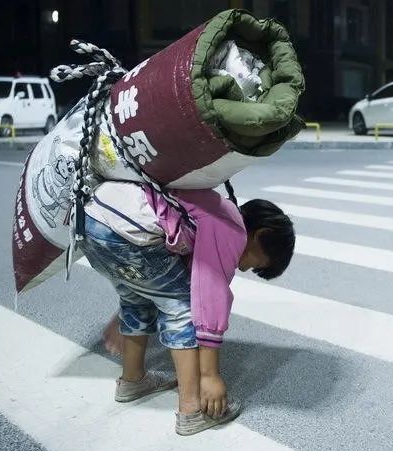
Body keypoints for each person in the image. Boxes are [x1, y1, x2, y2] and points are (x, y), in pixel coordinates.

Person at [80, 181, 295, 435]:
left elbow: (156, 285)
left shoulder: (207, 214)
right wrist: (210, 376)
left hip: (92, 222)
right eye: (257, 264)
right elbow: (208, 299)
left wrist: (120, 319)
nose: (245, 269)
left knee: (137, 299)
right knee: (183, 307)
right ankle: (192, 410)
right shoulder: (232, 228)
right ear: (261, 234)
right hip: (129, 234)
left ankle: (133, 380)